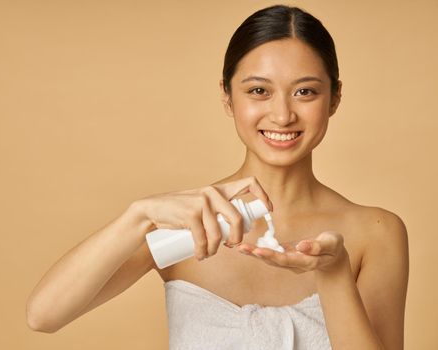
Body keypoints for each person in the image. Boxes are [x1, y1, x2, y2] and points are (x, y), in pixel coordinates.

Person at [26, 5, 409, 349]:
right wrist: (139, 216)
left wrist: (334, 274)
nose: (282, 115)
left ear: (335, 99)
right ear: (227, 97)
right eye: (258, 90)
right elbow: (44, 316)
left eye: (305, 92)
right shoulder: (189, 223)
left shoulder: (374, 231)